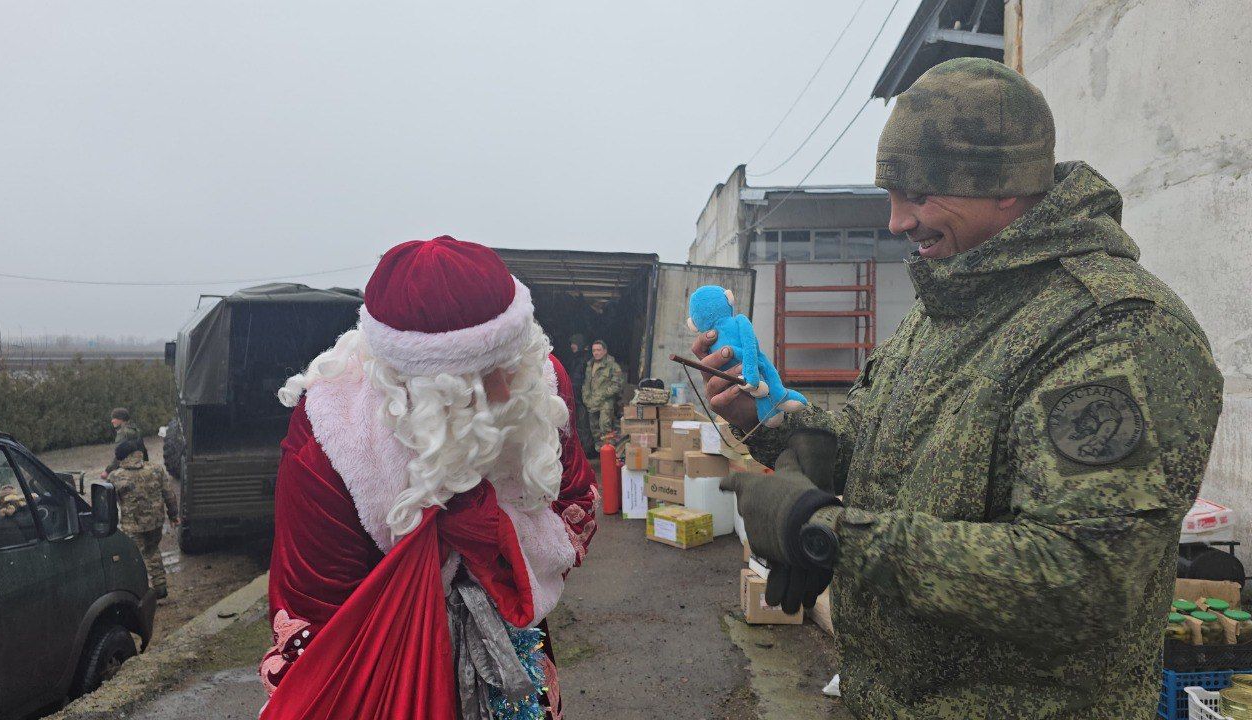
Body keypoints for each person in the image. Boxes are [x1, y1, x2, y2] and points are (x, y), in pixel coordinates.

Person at [705, 58, 1223, 719]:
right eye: (891, 195)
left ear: (1004, 188)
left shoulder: (1115, 327)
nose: (895, 222)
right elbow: (872, 447)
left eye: (917, 195)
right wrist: (771, 423)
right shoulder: (947, 305)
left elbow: (1084, 575)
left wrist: (829, 534)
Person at [260, 236, 596, 719]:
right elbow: (315, 604)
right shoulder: (330, 436)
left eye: (509, 362)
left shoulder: (538, 384)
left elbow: (575, 500)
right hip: (395, 661)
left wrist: (501, 542)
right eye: (475, 380)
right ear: (416, 381)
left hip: (519, 635)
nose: (504, 390)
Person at [109, 438, 179, 600]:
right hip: (156, 522)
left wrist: (109, 525)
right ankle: (160, 586)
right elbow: (169, 494)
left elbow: (110, 505)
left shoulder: (115, 477)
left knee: (135, 558)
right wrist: (173, 516)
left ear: (122, 457)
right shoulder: (156, 469)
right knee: (152, 550)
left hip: (132, 525)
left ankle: (139, 593)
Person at [580, 340, 623, 445]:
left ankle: (608, 457)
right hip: (591, 403)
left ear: (605, 351)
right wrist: (585, 397)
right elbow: (586, 383)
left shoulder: (613, 366)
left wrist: (602, 395)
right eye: (594, 350)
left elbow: (617, 385)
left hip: (606, 404)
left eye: (599, 350)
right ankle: (601, 455)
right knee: (595, 431)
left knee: (605, 429)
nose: (596, 352)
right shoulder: (590, 365)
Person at [101, 407, 140, 479]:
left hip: (128, 468)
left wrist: (107, 471)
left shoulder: (123, 433)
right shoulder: (134, 430)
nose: (112, 421)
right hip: (139, 465)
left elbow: (120, 456)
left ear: (121, 419)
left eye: (114, 418)